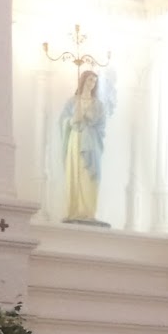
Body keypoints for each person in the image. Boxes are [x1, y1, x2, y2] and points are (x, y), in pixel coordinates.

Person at [60, 69, 111, 223]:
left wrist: (89, 120)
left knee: (88, 174)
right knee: (74, 172)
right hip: (75, 140)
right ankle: (74, 211)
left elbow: (102, 125)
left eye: (94, 81)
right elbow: (63, 120)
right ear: (83, 81)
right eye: (89, 80)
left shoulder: (98, 105)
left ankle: (88, 212)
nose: (92, 83)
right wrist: (71, 121)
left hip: (90, 142)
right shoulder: (72, 101)